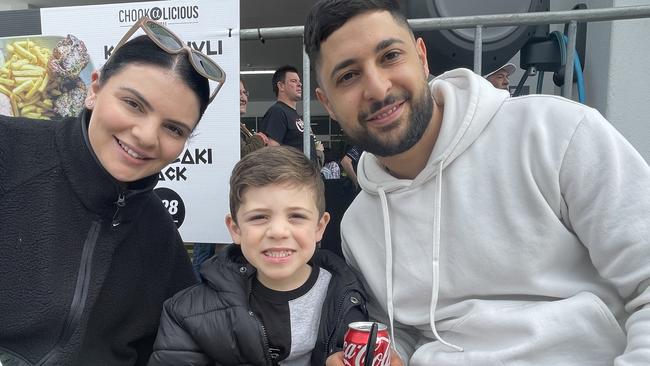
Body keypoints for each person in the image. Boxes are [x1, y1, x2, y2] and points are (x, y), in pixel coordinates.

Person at [304, 1, 650, 365]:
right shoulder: (360, 226)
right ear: (327, 103)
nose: (377, 88)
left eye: (390, 56)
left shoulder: (554, 133)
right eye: (348, 76)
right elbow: (402, 333)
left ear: (421, 58)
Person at [0, 16, 226, 365]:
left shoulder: (161, 239)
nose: (147, 136)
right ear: (94, 89)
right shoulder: (10, 150)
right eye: (134, 104)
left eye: (174, 128)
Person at [149, 146, 368, 365]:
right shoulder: (187, 315)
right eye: (259, 217)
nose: (278, 232)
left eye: (296, 216)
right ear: (235, 229)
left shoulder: (350, 299)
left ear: (320, 227)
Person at [191, 79, 266, 279]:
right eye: (238, 93)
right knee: (206, 256)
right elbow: (242, 159)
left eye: (245, 92)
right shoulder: (224, 126)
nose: (244, 97)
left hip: (225, 202)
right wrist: (258, 140)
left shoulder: (238, 126)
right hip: (216, 202)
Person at [260, 65, 319, 166]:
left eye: (299, 81)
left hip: (309, 177)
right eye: (293, 81)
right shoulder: (277, 111)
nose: (299, 84)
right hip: (295, 178)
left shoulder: (294, 114)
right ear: (281, 86)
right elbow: (271, 153)